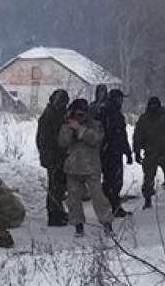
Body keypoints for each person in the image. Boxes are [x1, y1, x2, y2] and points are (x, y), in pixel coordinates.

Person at [58, 99, 114, 237]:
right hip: (73, 168)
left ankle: (107, 224)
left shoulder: (95, 125)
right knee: (73, 199)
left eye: (82, 114)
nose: (79, 116)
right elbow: (62, 142)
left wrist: (81, 130)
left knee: (98, 197)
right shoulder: (67, 125)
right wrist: (70, 129)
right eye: (76, 113)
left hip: (91, 167)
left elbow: (96, 139)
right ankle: (78, 226)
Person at [133, 97, 165, 208]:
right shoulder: (145, 119)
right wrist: (136, 150)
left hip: (164, 151)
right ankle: (148, 199)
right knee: (149, 177)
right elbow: (137, 136)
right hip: (152, 152)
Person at [36, 89, 70, 227]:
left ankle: (58, 212)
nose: (63, 105)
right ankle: (54, 216)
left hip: (59, 157)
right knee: (55, 188)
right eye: (61, 102)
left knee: (59, 187)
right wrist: (49, 157)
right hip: (53, 157)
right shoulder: (49, 116)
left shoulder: (58, 114)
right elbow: (43, 140)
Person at [100, 89, 134, 217]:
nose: (122, 101)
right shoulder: (107, 112)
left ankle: (113, 205)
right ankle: (110, 206)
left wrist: (127, 152)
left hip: (115, 150)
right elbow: (113, 134)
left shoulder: (116, 113)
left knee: (115, 181)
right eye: (120, 98)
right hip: (108, 151)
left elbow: (122, 135)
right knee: (111, 181)